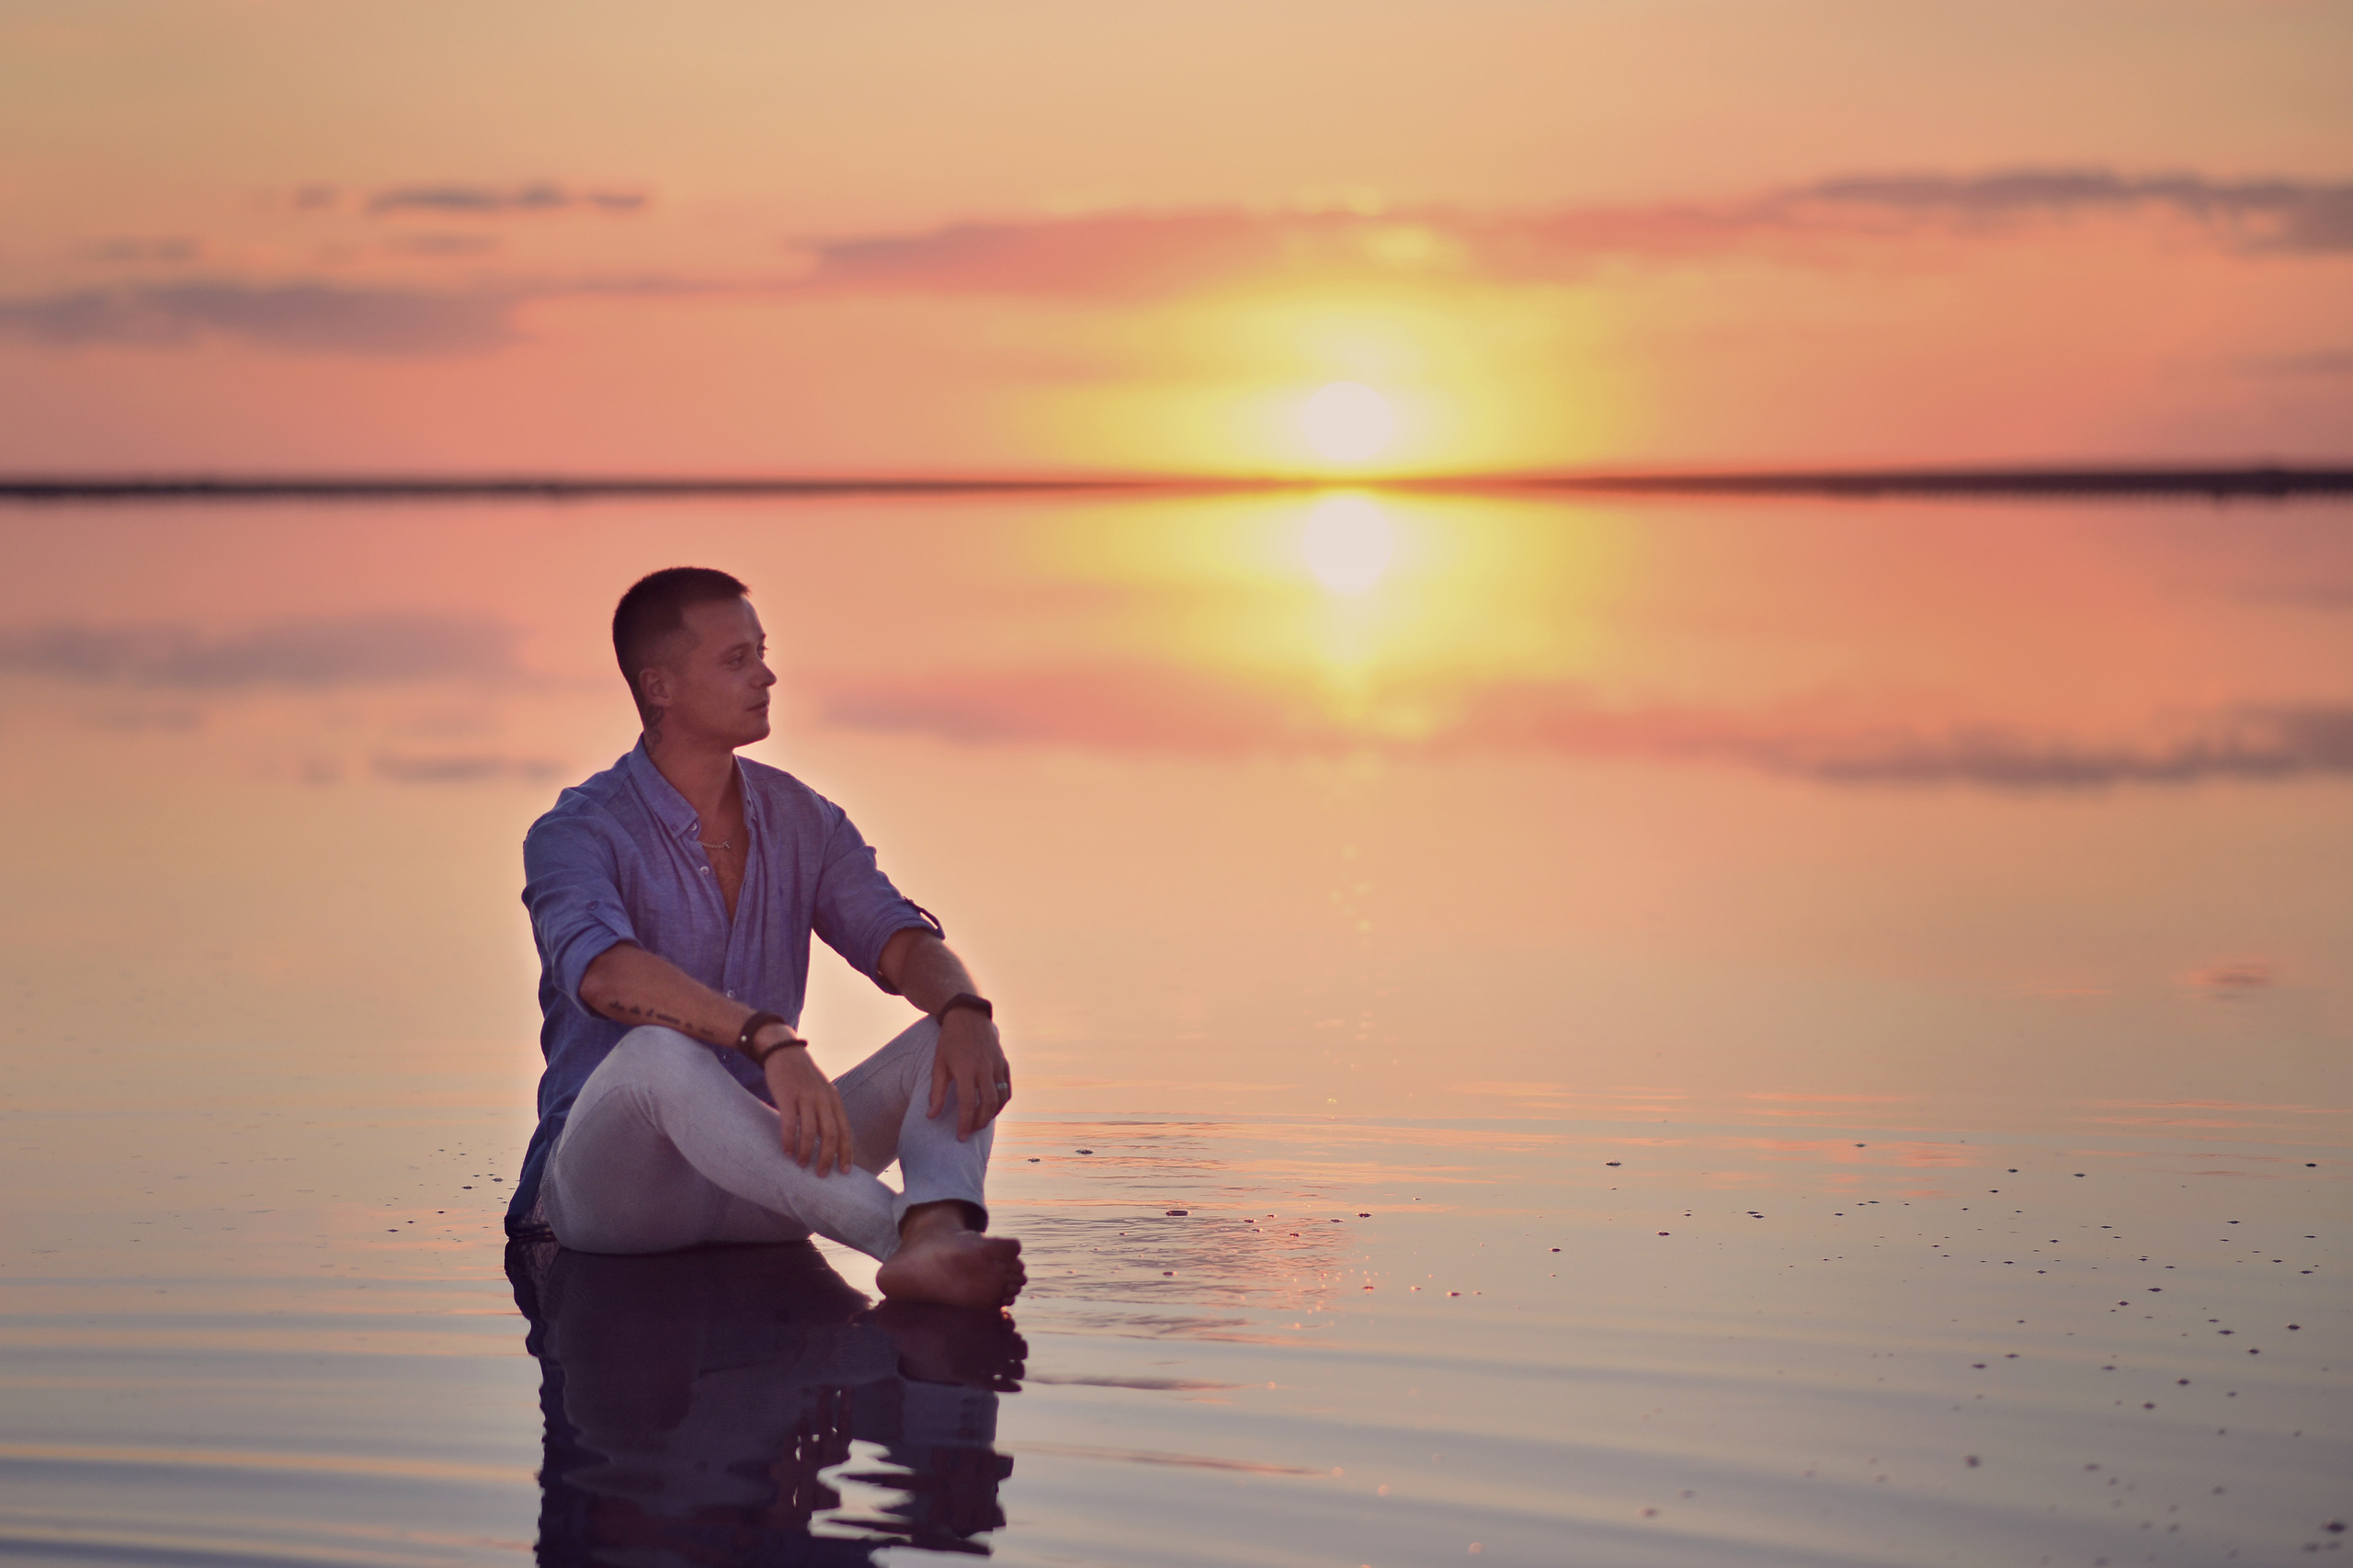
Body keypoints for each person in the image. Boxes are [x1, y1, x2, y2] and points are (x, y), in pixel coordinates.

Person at [506, 566, 1024, 1309]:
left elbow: (901, 941)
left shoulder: (803, 818)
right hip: (615, 1200)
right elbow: (605, 977)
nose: (767, 675)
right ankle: (902, 1238)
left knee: (948, 1030)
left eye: (762, 651)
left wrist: (969, 1012)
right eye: (736, 660)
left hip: (765, 1185)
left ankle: (939, 1225)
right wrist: (767, 1039)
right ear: (660, 688)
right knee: (656, 1051)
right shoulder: (576, 831)